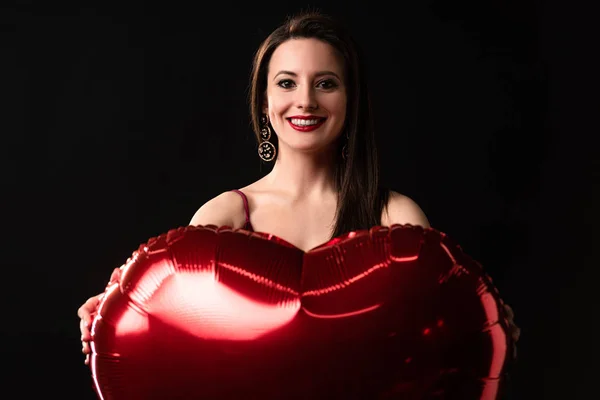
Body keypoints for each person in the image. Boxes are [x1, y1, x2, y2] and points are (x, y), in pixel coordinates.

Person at [78, 11, 519, 366]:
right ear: (265, 102)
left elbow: (432, 342)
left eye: (325, 83)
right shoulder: (223, 218)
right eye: (286, 83)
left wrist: (481, 323)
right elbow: (181, 336)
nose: (305, 100)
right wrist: (116, 315)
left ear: (350, 99)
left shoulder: (395, 216)